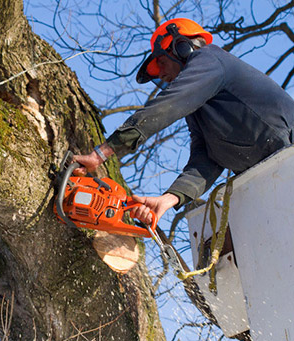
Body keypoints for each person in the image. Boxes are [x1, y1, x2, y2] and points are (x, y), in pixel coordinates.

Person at [74, 18, 294, 225]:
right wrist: (169, 199)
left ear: (181, 47)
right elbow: (206, 159)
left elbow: (167, 106)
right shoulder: (199, 109)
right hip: (273, 178)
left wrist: (101, 153)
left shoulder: (210, 59)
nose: (160, 74)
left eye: (161, 62)